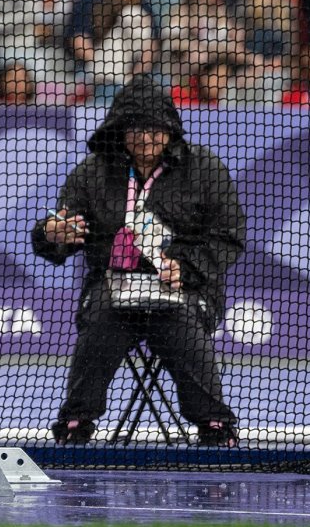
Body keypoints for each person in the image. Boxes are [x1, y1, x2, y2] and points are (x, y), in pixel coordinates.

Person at [31, 75, 244, 447]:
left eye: (155, 129)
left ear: (171, 129)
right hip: (112, 287)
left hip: (187, 287)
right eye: (136, 129)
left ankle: (213, 422)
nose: (146, 138)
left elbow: (230, 235)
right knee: (99, 318)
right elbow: (61, 230)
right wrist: (51, 234)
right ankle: (76, 420)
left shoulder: (205, 169)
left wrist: (186, 267)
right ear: (119, 129)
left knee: (182, 322)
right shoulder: (94, 171)